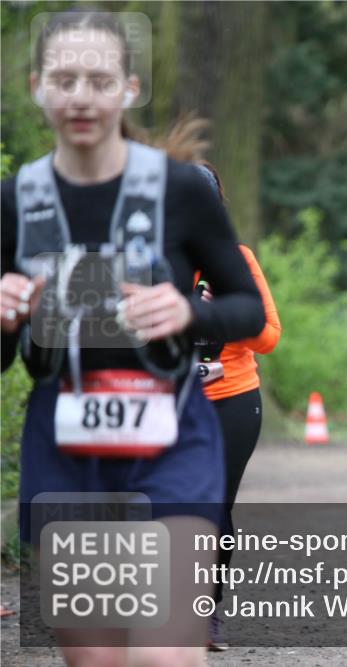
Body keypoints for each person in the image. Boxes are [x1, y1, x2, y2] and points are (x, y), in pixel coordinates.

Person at [0, 10, 264, 667]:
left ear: (129, 88)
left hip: (171, 432)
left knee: (164, 653)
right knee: (97, 659)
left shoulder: (181, 190)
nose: (82, 95)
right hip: (64, 442)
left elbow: (249, 309)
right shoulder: (16, 201)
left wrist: (188, 314)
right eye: (64, 79)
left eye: (98, 78)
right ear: (38, 87)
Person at [192, 162, 281, 652]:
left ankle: (205, 613)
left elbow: (268, 336)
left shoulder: (237, 261)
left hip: (231, 400)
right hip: (164, 402)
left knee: (213, 510)